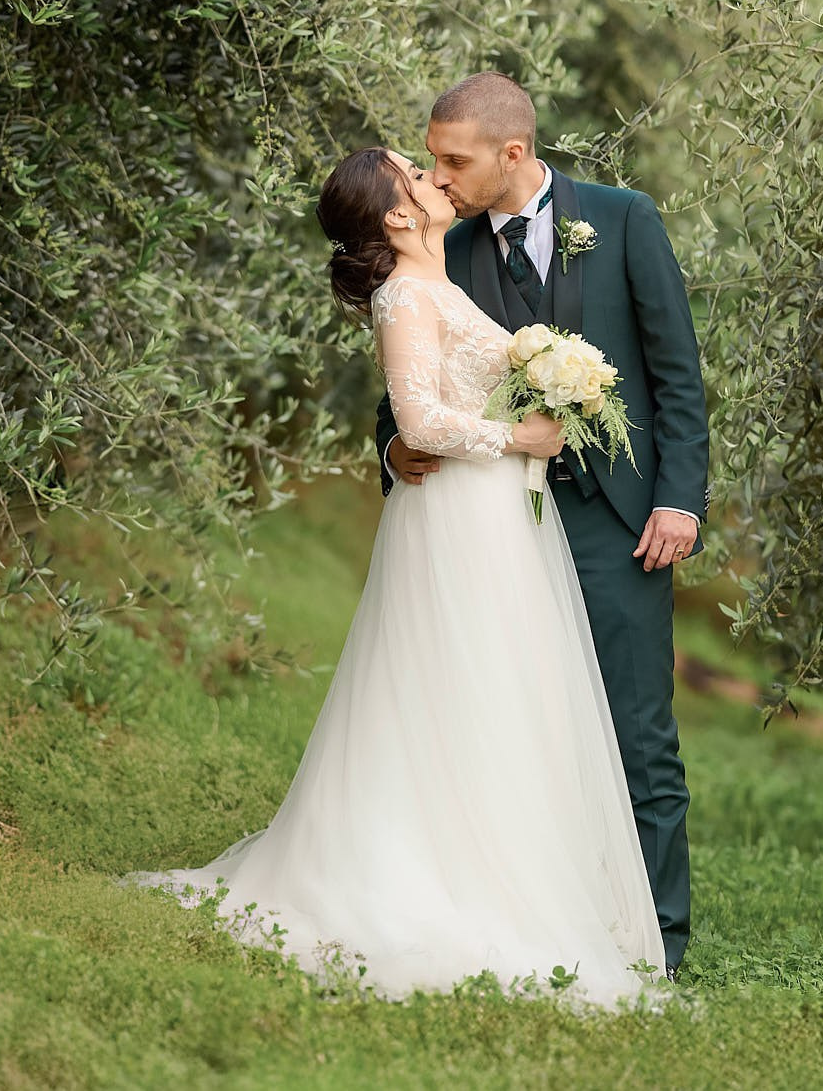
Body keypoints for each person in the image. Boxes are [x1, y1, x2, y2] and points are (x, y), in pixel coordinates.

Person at [123, 144, 666, 1007]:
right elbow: (417, 420)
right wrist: (519, 438)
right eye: (416, 173)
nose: (434, 178)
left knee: (492, 692)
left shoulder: (437, 283)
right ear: (397, 215)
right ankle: (444, 878)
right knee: (458, 687)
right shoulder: (407, 295)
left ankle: (501, 871)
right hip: (457, 517)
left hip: (492, 516)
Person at [381, 73, 708, 977]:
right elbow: (409, 381)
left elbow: (676, 375)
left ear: (513, 153)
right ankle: (539, 921)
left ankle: (659, 942)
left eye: (454, 162)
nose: (437, 179)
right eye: (432, 161)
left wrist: (679, 499)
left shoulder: (624, 219)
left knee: (637, 732)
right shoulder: (447, 250)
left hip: (618, 522)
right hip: (495, 526)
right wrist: (393, 448)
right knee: (509, 725)